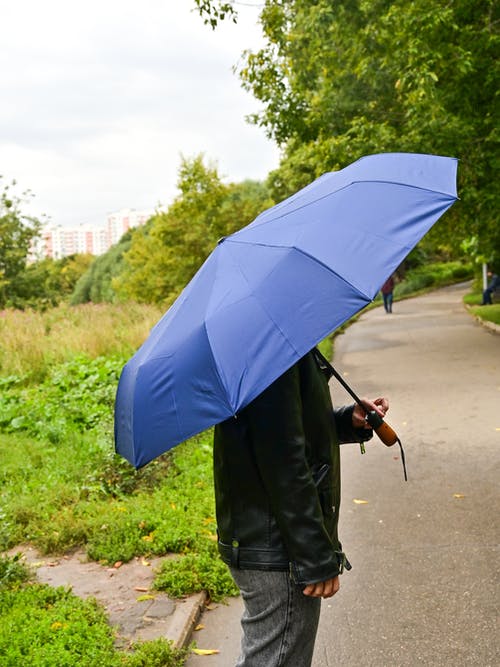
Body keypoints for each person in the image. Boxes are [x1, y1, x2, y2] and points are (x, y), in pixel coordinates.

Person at [213, 347, 389, 667]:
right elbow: (284, 461)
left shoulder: (266, 345)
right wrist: (315, 557)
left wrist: (346, 420)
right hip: (280, 544)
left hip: (271, 536)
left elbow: (283, 430)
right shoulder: (269, 352)